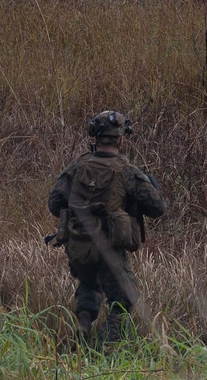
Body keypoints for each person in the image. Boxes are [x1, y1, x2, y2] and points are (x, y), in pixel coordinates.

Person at [47, 110, 167, 343]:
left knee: (89, 285)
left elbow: (54, 203)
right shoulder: (127, 171)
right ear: (121, 139)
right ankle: (102, 351)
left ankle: (82, 330)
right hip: (109, 246)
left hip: (78, 245)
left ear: (94, 137)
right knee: (123, 301)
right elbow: (158, 208)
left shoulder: (78, 165)